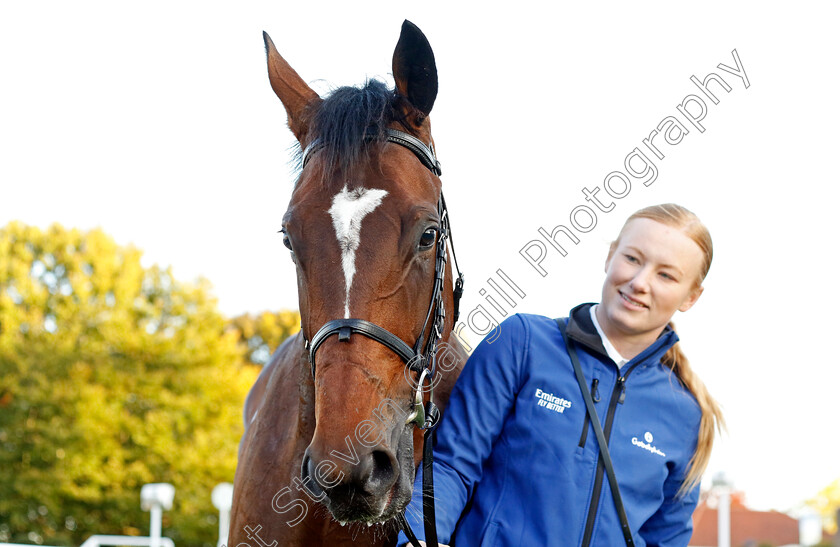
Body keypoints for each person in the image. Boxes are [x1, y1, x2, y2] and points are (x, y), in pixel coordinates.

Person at [396, 203, 724, 547]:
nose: (640, 282)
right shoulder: (521, 342)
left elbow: (667, 536)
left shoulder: (686, 414)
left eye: (666, 275)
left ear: (691, 297)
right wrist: (418, 540)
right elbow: (452, 465)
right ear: (610, 256)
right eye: (632, 259)